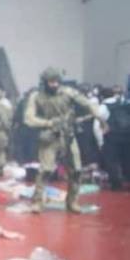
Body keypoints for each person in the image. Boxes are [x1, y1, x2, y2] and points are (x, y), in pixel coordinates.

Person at [24, 67, 104, 213]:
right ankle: (37, 202)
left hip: (68, 136)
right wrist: (48, 123)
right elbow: (29, 118)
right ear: (44, 82)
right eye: (51, 82)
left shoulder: (68, 92)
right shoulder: (36, 96)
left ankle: (72, 201)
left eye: (56, 81)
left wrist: (100, 118)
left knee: (76, 170)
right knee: (45, 170)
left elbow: (87, 104)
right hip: (49, 136)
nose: (54, 84)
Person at [99, 86, 130, 190]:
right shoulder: (125, 103)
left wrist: (100, 141)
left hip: (112, 137)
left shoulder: (104, 106)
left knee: (112, 160)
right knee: (127, 159)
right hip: (127, 135)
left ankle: (116, 184)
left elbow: (98, 125)